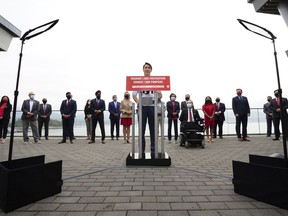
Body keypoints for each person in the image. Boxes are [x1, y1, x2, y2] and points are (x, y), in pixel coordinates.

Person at [132, 62, 160, 153]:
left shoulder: (155, 81)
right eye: (145, 67)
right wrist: (138, 102)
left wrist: (157, 93)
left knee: (153, 129)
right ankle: (142, 150)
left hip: (152, 107)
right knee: (141, 129)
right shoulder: (138, 81)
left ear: (151, 70)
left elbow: (160, 95)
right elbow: (134, 95)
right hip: (142, 107)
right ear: (143, 69)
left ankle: (153, 150)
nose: (147, 69)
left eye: (148, 67)